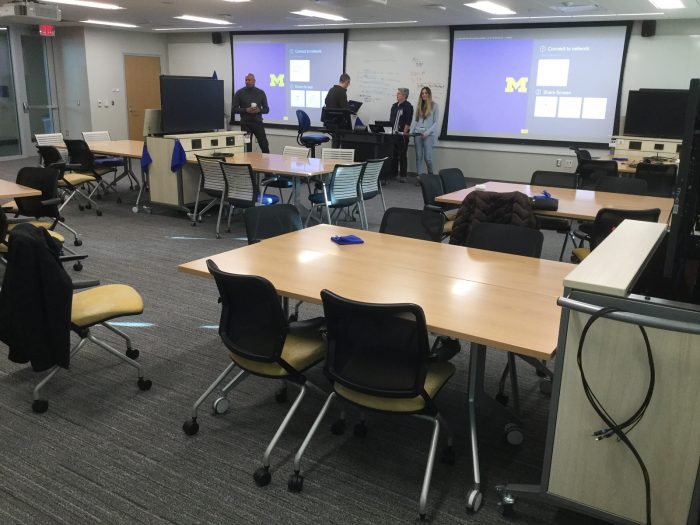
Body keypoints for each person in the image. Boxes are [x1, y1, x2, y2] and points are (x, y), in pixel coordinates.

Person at [232, 73, 270, 153]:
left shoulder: (260, 93)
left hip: (258, 124)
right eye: (246, 80)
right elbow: (234, 109)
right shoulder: (239, 93)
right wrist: (246, 110)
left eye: (249, 80)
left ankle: (267, 164)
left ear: (254, 81)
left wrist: (259, 110)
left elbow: (266, 109)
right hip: (246, 125)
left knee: (264, 146)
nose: (247, 81)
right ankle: (248, 164)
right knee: (247, 147)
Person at [410, 86, 439, 184]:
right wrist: (411, 131)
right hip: (418, 134)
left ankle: (430, 175)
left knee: (428, 157)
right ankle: (420, 177)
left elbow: (435, 123)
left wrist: (427, 133)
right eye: (422, 93)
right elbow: (415, 120)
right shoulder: (419, 105)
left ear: (429, 94)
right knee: (419, 156)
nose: (424, 95)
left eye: (426, 93)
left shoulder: (435, 106)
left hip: (428, 135)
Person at [389, 87, 413, 182]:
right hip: (393, 134)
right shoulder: (394, 106)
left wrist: (404, 133)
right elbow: (391, 120)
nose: (397, 95)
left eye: (399, 93)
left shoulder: (408, 106)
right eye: (397, 93)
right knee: (393, 154)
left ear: (404, 96)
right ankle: (394, 174)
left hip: (402, 134)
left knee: (402, 155)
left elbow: (408, 121)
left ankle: (403, 176)